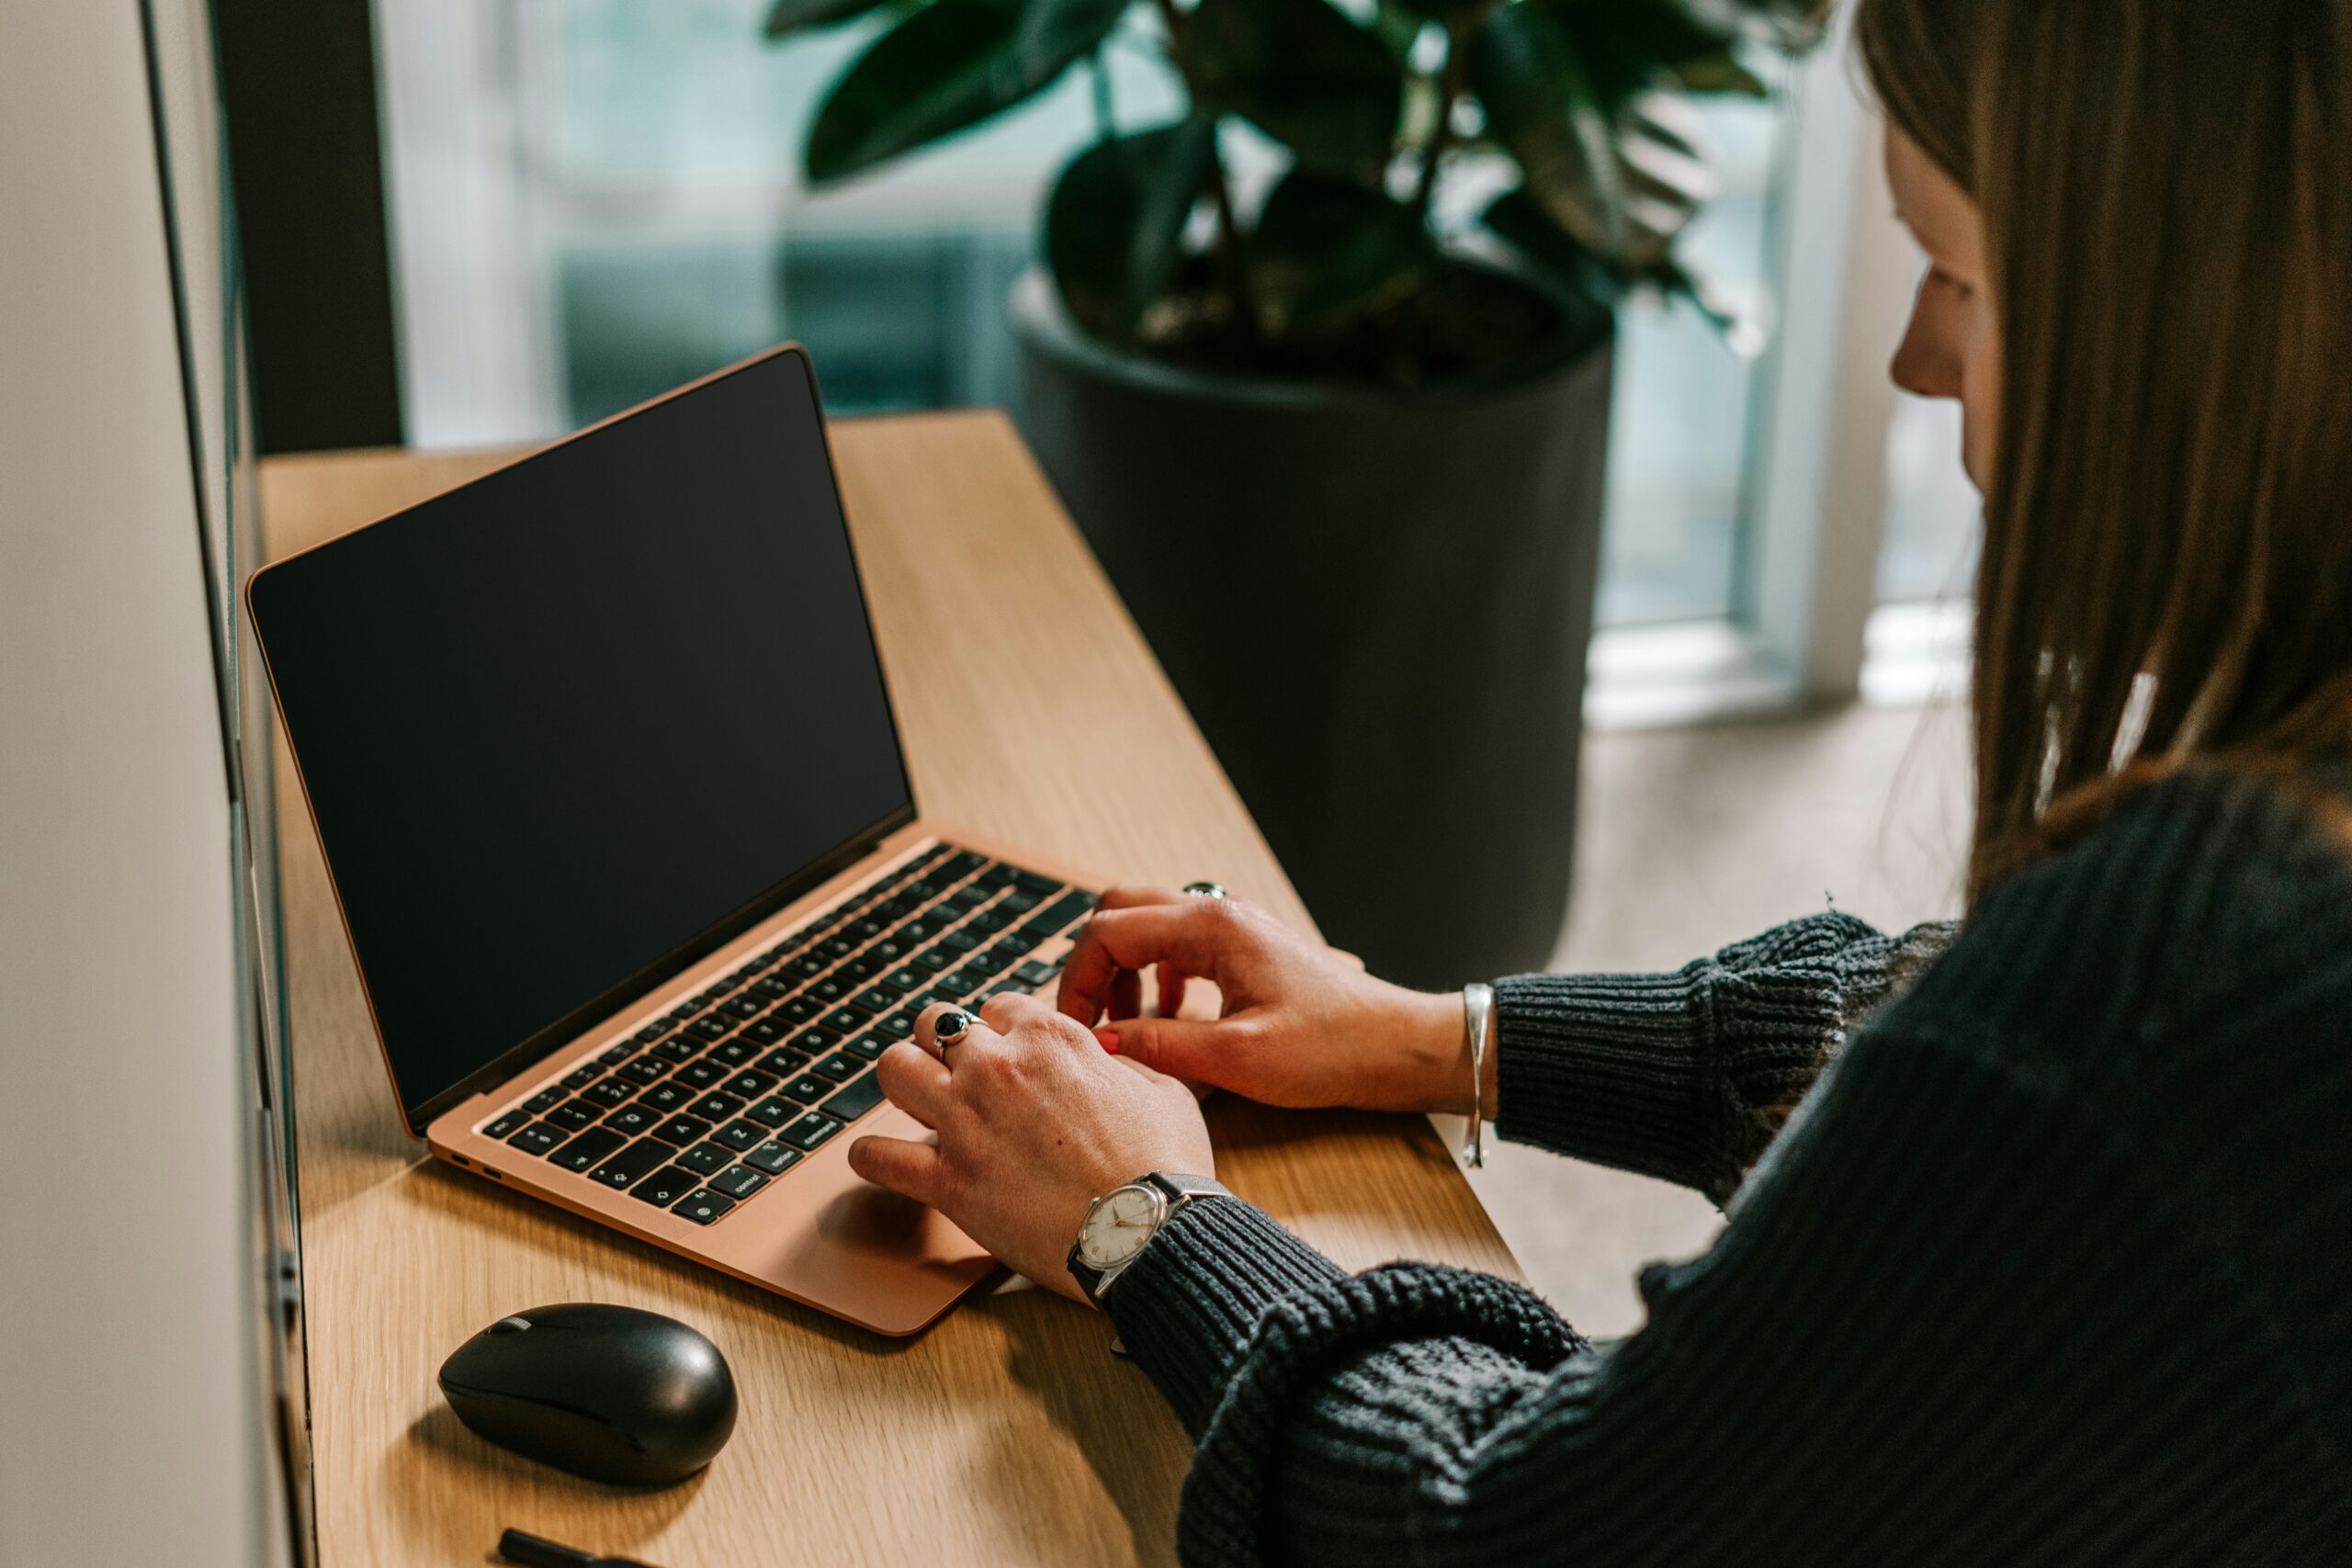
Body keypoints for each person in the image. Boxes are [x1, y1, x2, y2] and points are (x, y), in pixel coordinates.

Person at [844, 0, 2352, 1559]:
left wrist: (1146, 1224)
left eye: (1960, 278)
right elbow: (1921, 1018)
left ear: (2216, 317)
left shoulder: (2173, 987)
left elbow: (1501, 1530)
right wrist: (1441, 1040)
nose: (1914, 358)